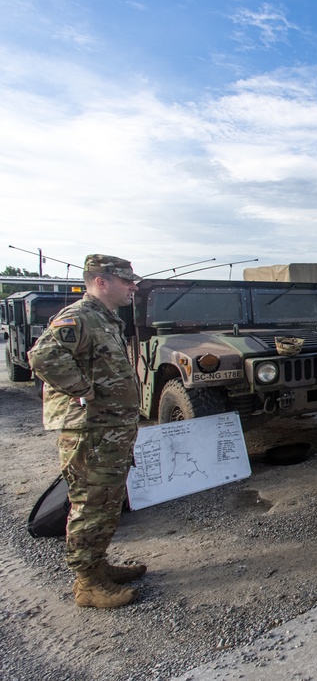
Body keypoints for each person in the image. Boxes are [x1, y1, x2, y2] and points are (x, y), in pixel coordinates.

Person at [27, 254, 145, 608]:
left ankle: (98, 566)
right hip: (90, 432)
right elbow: (43, 356)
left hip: (108, 432)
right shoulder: (79, 317)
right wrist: (82, 389)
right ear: (102, 281)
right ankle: (87, 583)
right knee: (90, 503)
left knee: (107, 502)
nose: (133, 287)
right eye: (127, 281)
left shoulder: (104, 319)